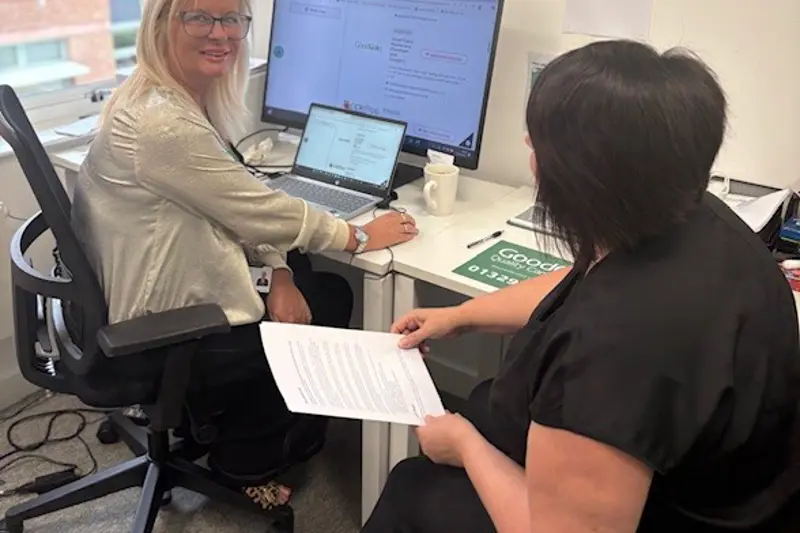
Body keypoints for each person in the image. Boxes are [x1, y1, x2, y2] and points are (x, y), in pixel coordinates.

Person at [362, 40, 800, 533]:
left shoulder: (615, 349)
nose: (530, 154)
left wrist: (464, 446)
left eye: (537, 147)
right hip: (727, 482)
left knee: (414, 488)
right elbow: (582, 281)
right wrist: (461, 317)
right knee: (475, 415)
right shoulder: (693, 217)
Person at [70, 0, 418, 512]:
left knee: (302, 272)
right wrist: (358, 236)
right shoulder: (163, 124)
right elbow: (256, 210)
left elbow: (236, 198)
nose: (221, 34)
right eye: (200, 17)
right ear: (161, 23)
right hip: (156, 325)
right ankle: (247, 460)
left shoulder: (159, 96)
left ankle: (218, 418)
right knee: (331, 297)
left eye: (232, 19)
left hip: (138, 293)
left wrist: (278, 272)